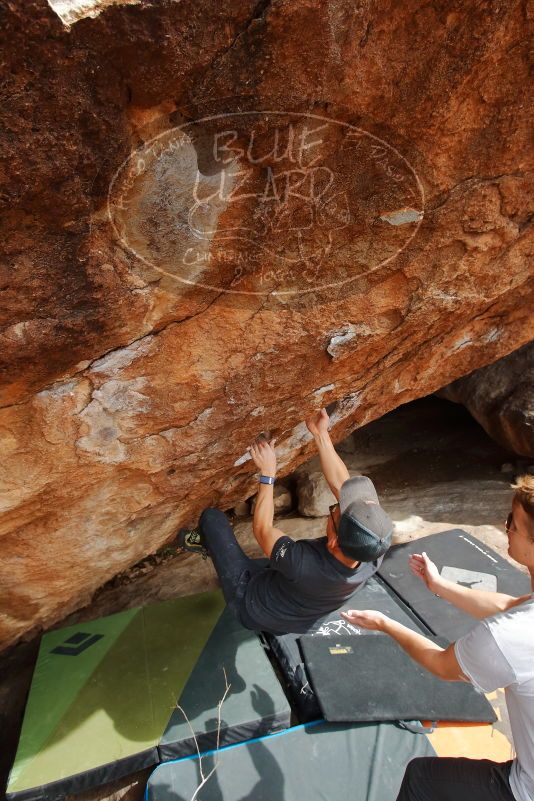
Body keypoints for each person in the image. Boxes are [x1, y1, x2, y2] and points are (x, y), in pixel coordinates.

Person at [342, 474, 534, 801]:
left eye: (512, 523)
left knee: (422, 779)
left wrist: (386, 624)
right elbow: (509, 605)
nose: (506, 529)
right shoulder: (521, 622)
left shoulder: (509, 637)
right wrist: (440, 585)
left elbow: (441, 665)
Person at [179, 407, 394, 635]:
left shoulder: (303, 563)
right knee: (278, 566)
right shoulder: (373, 544)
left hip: (252, 605)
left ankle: (205, 542)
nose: (339, 502)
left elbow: (262, 529)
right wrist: (321, 434)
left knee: (213, 520)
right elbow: (343, 486)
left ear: (334, 541)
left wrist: (268, 473)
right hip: (299, 617)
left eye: (335, 511)